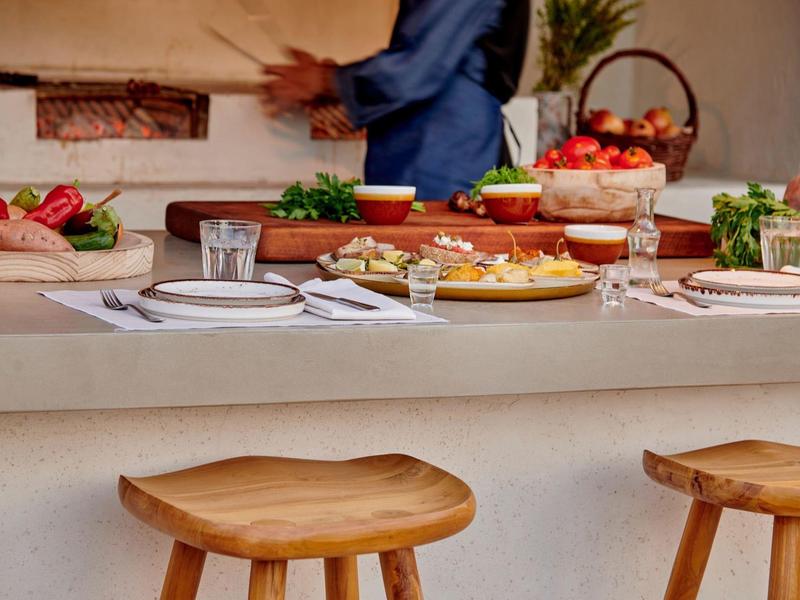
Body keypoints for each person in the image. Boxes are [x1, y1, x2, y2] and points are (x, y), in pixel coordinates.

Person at [262, 0, 529, 199]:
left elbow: (415, 69)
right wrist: (335, 84)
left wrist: (327, 81)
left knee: (433, 260)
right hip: (427, 152)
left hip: (439, 156)